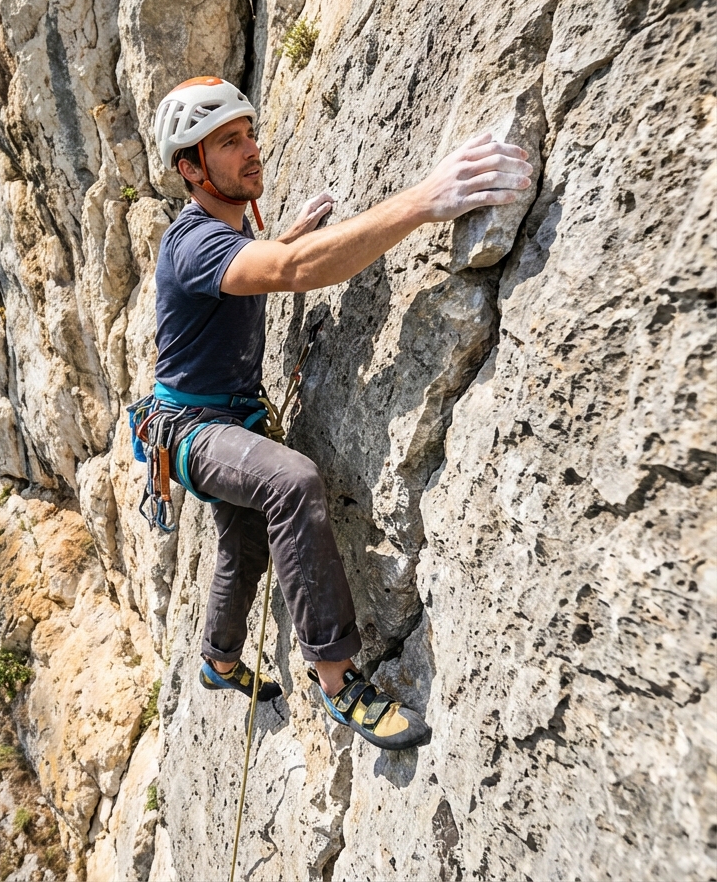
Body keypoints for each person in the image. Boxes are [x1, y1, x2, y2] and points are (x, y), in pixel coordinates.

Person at [149, 76, 533, 749]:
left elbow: (263, 268)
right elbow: (291, 270)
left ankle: (217, 659)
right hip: (193, 430)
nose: (252, 150)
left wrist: (285, 242)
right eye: (228, 143)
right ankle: (339, 680)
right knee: (289, 483)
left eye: (248, 134)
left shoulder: (223, 232)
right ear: (191, 168)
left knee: (242, 543)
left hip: (214, 421)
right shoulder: (195, 244)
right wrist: (423, 201)